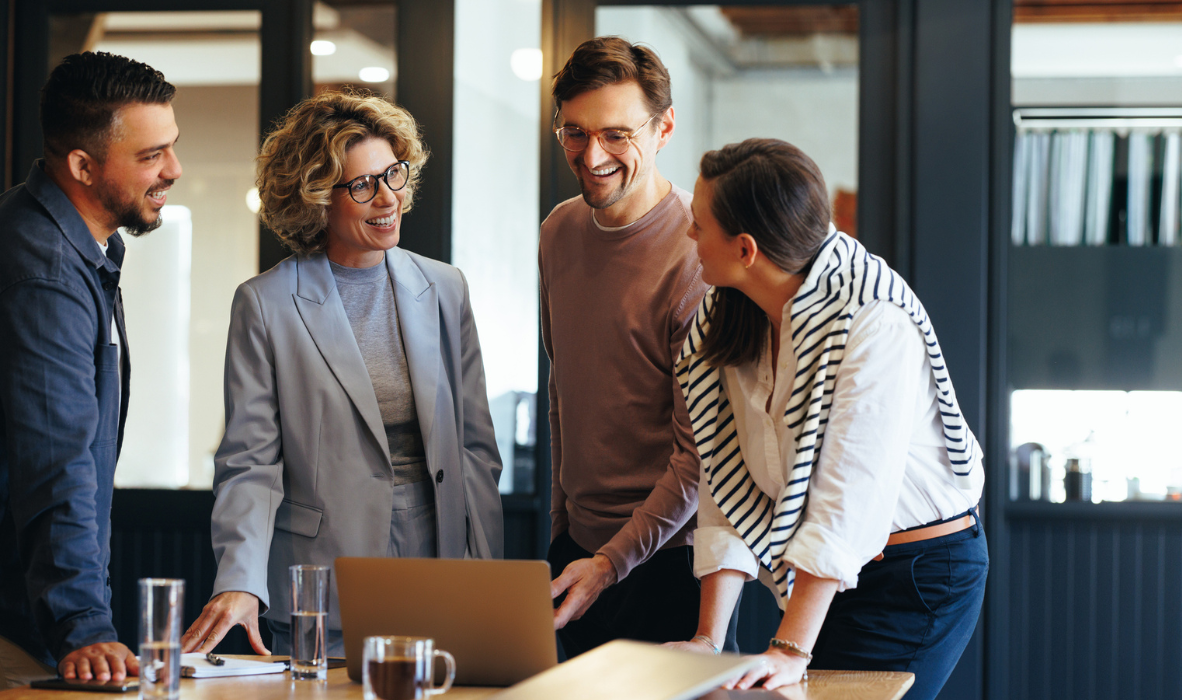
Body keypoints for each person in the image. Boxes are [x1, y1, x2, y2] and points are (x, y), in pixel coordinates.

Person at [181, 90, 504, 656]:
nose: (388, 198)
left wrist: (486, 575)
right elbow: (249, 463)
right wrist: (239, 579)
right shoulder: (266, 304)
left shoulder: (445, 287)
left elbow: (476, 449)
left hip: (441, 563)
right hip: (322, 574)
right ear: (316, 199)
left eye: (394, 175)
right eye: (362, 185)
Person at [670, 139, 987, 700]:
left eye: (698, 225)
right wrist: (707, 640)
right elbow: (724, 475)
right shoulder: (732, 311)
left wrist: (790, 649)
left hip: (915, 576)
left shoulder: (874, 321)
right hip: (827, 579)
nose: (688, 236)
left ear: (745, 249)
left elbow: (849, 502)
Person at [540, 36, 730, 658]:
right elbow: (563, 391)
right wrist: (562, 531)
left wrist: (610, 561)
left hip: (668, 561)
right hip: (574, 555)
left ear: (664, 127)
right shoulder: (558, 231)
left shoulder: (697, 255)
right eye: (574, 132)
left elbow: (698, 455)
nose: (592, 155)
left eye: (617, 134)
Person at [0, 52, 181, 687]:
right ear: (82, 165)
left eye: (172, 148)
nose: (174, 170)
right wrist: (82, 622)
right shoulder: (45, 270)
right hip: (20, 624)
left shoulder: (78, 247)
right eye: (151, 155)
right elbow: (57, 458)